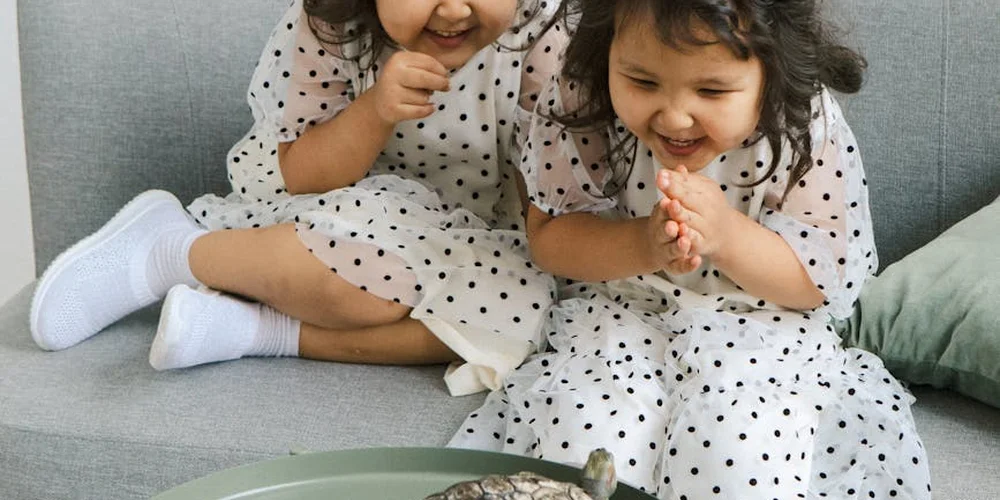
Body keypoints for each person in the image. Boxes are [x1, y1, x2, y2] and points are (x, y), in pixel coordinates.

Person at [449, 0, 933, 497]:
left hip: (763, 334)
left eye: (712, 90)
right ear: (607, 51)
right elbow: (551, 241)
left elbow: (817, 280)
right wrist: (643, 244)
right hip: (622, 319)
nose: (676, 118)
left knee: (738, 452)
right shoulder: (583, 95)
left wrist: (725, 235)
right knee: (590, 441)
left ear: (772, 69)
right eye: (641, 83)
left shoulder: (799, 117)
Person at [29, 0, 565, 396]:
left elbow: (542, 199)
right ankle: (172, 251)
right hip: (344, 211)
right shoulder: (333, 25)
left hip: (469, 240)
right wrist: (376, 109)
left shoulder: (541, 31)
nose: (451, 9)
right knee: (378, 282)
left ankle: (259, 330)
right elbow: (304, 171)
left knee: (525, 318)